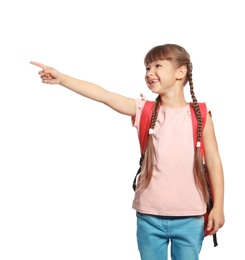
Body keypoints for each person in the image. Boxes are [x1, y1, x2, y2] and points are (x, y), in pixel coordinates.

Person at [30, 43, 225, 260]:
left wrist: (218, 207)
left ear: (181, 72)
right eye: (147, 68)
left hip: (191, 216)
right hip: (149, 217)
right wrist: (63, 79)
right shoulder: (145, 110)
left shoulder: (200, 115)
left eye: (157, 66)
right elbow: (104, 95)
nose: (150, 72)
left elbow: (214, 162)